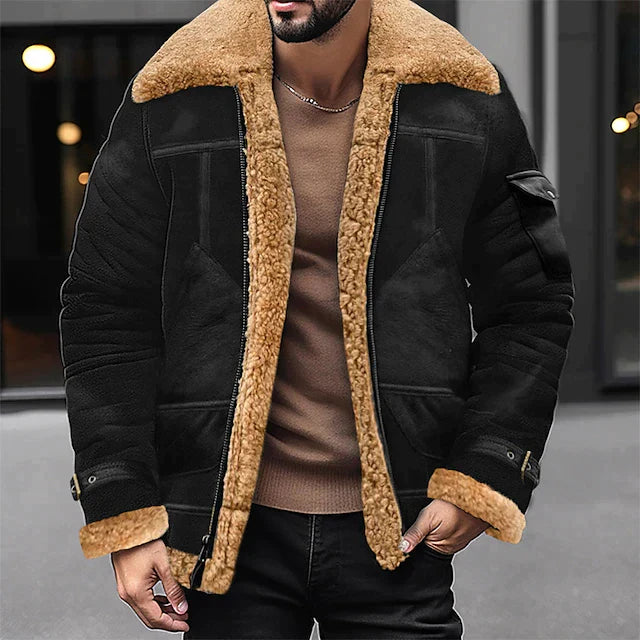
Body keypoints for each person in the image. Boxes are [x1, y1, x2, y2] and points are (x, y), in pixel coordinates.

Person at [59, 0, 575, 637]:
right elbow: (104, 308)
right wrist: (124, 508)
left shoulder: (461, 97)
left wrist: (485, 469)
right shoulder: (176, 95)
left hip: (397, 531)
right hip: (225, 530)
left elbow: (530, 303)